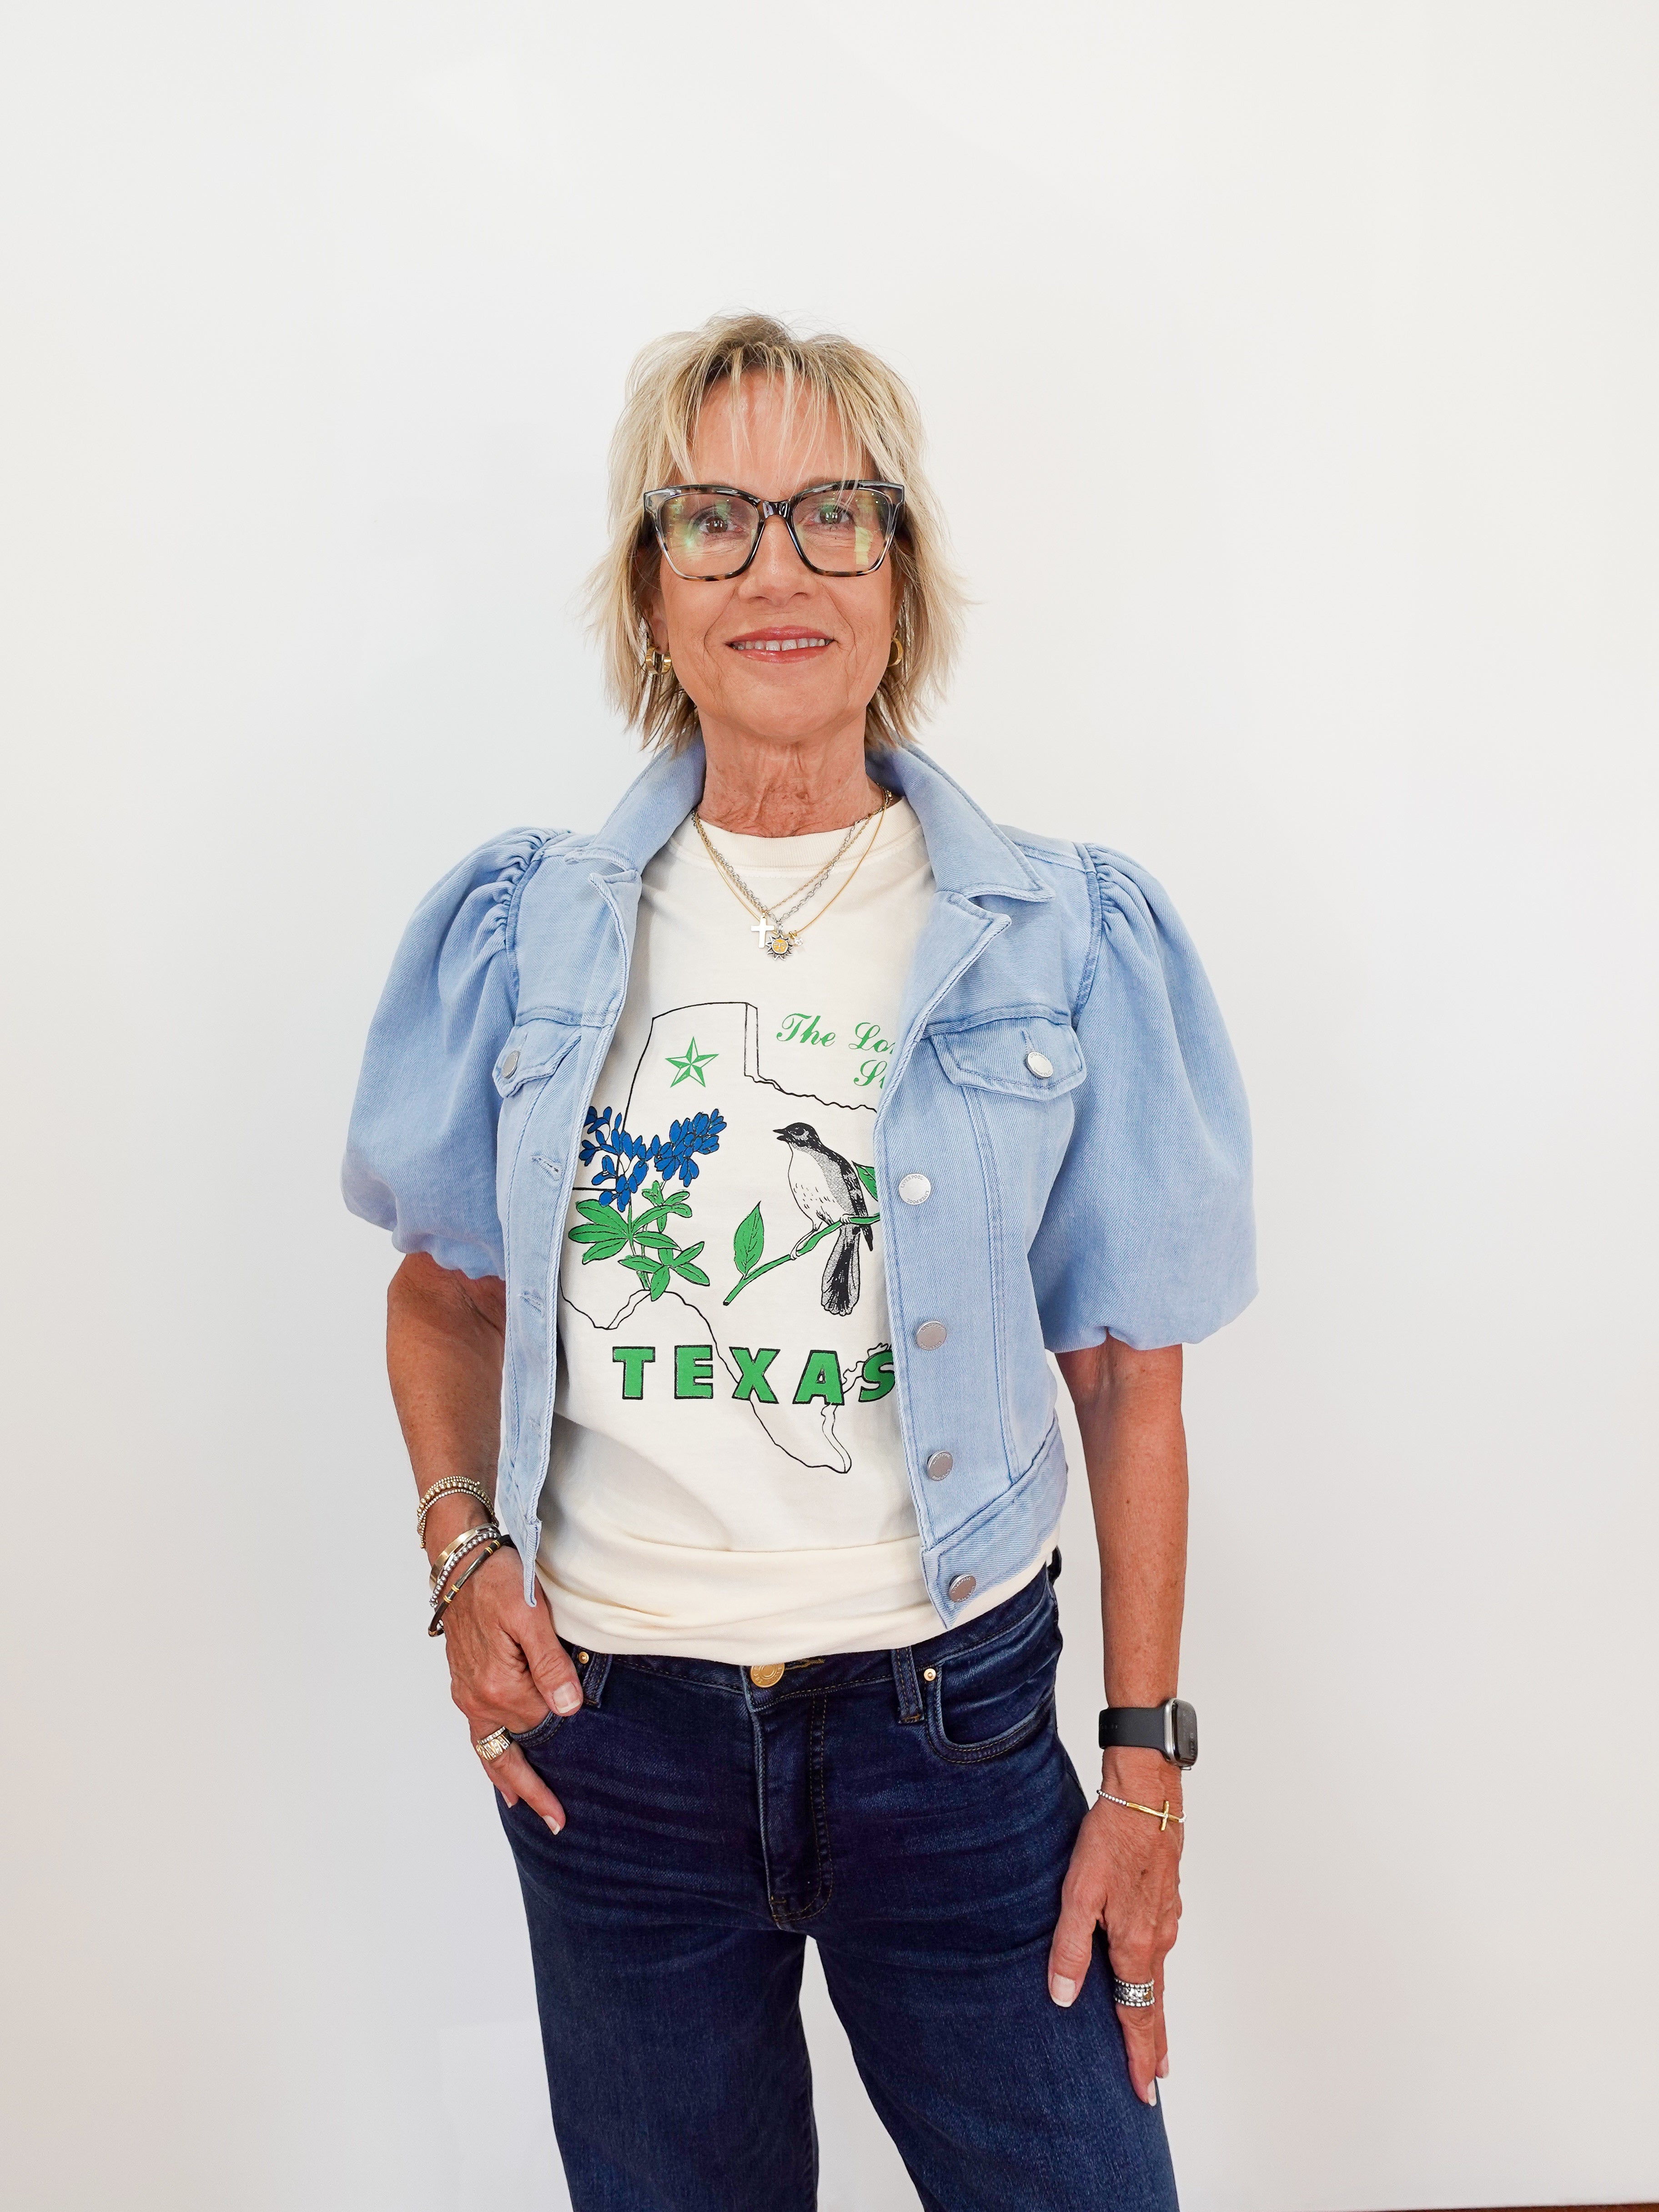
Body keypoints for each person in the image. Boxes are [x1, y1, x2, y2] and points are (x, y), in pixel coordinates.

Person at [344, 312, 1254, 2212]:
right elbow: (446, 1289)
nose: (779, 567)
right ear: (647, 589)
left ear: (901, 571)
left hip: (964, 1735)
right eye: (715, 518)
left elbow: (1123, 1366)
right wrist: (460, 1555)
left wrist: (1144, 1763)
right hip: (620, 1751)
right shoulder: (526, 932)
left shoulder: (1056, 935)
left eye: (835, 512)